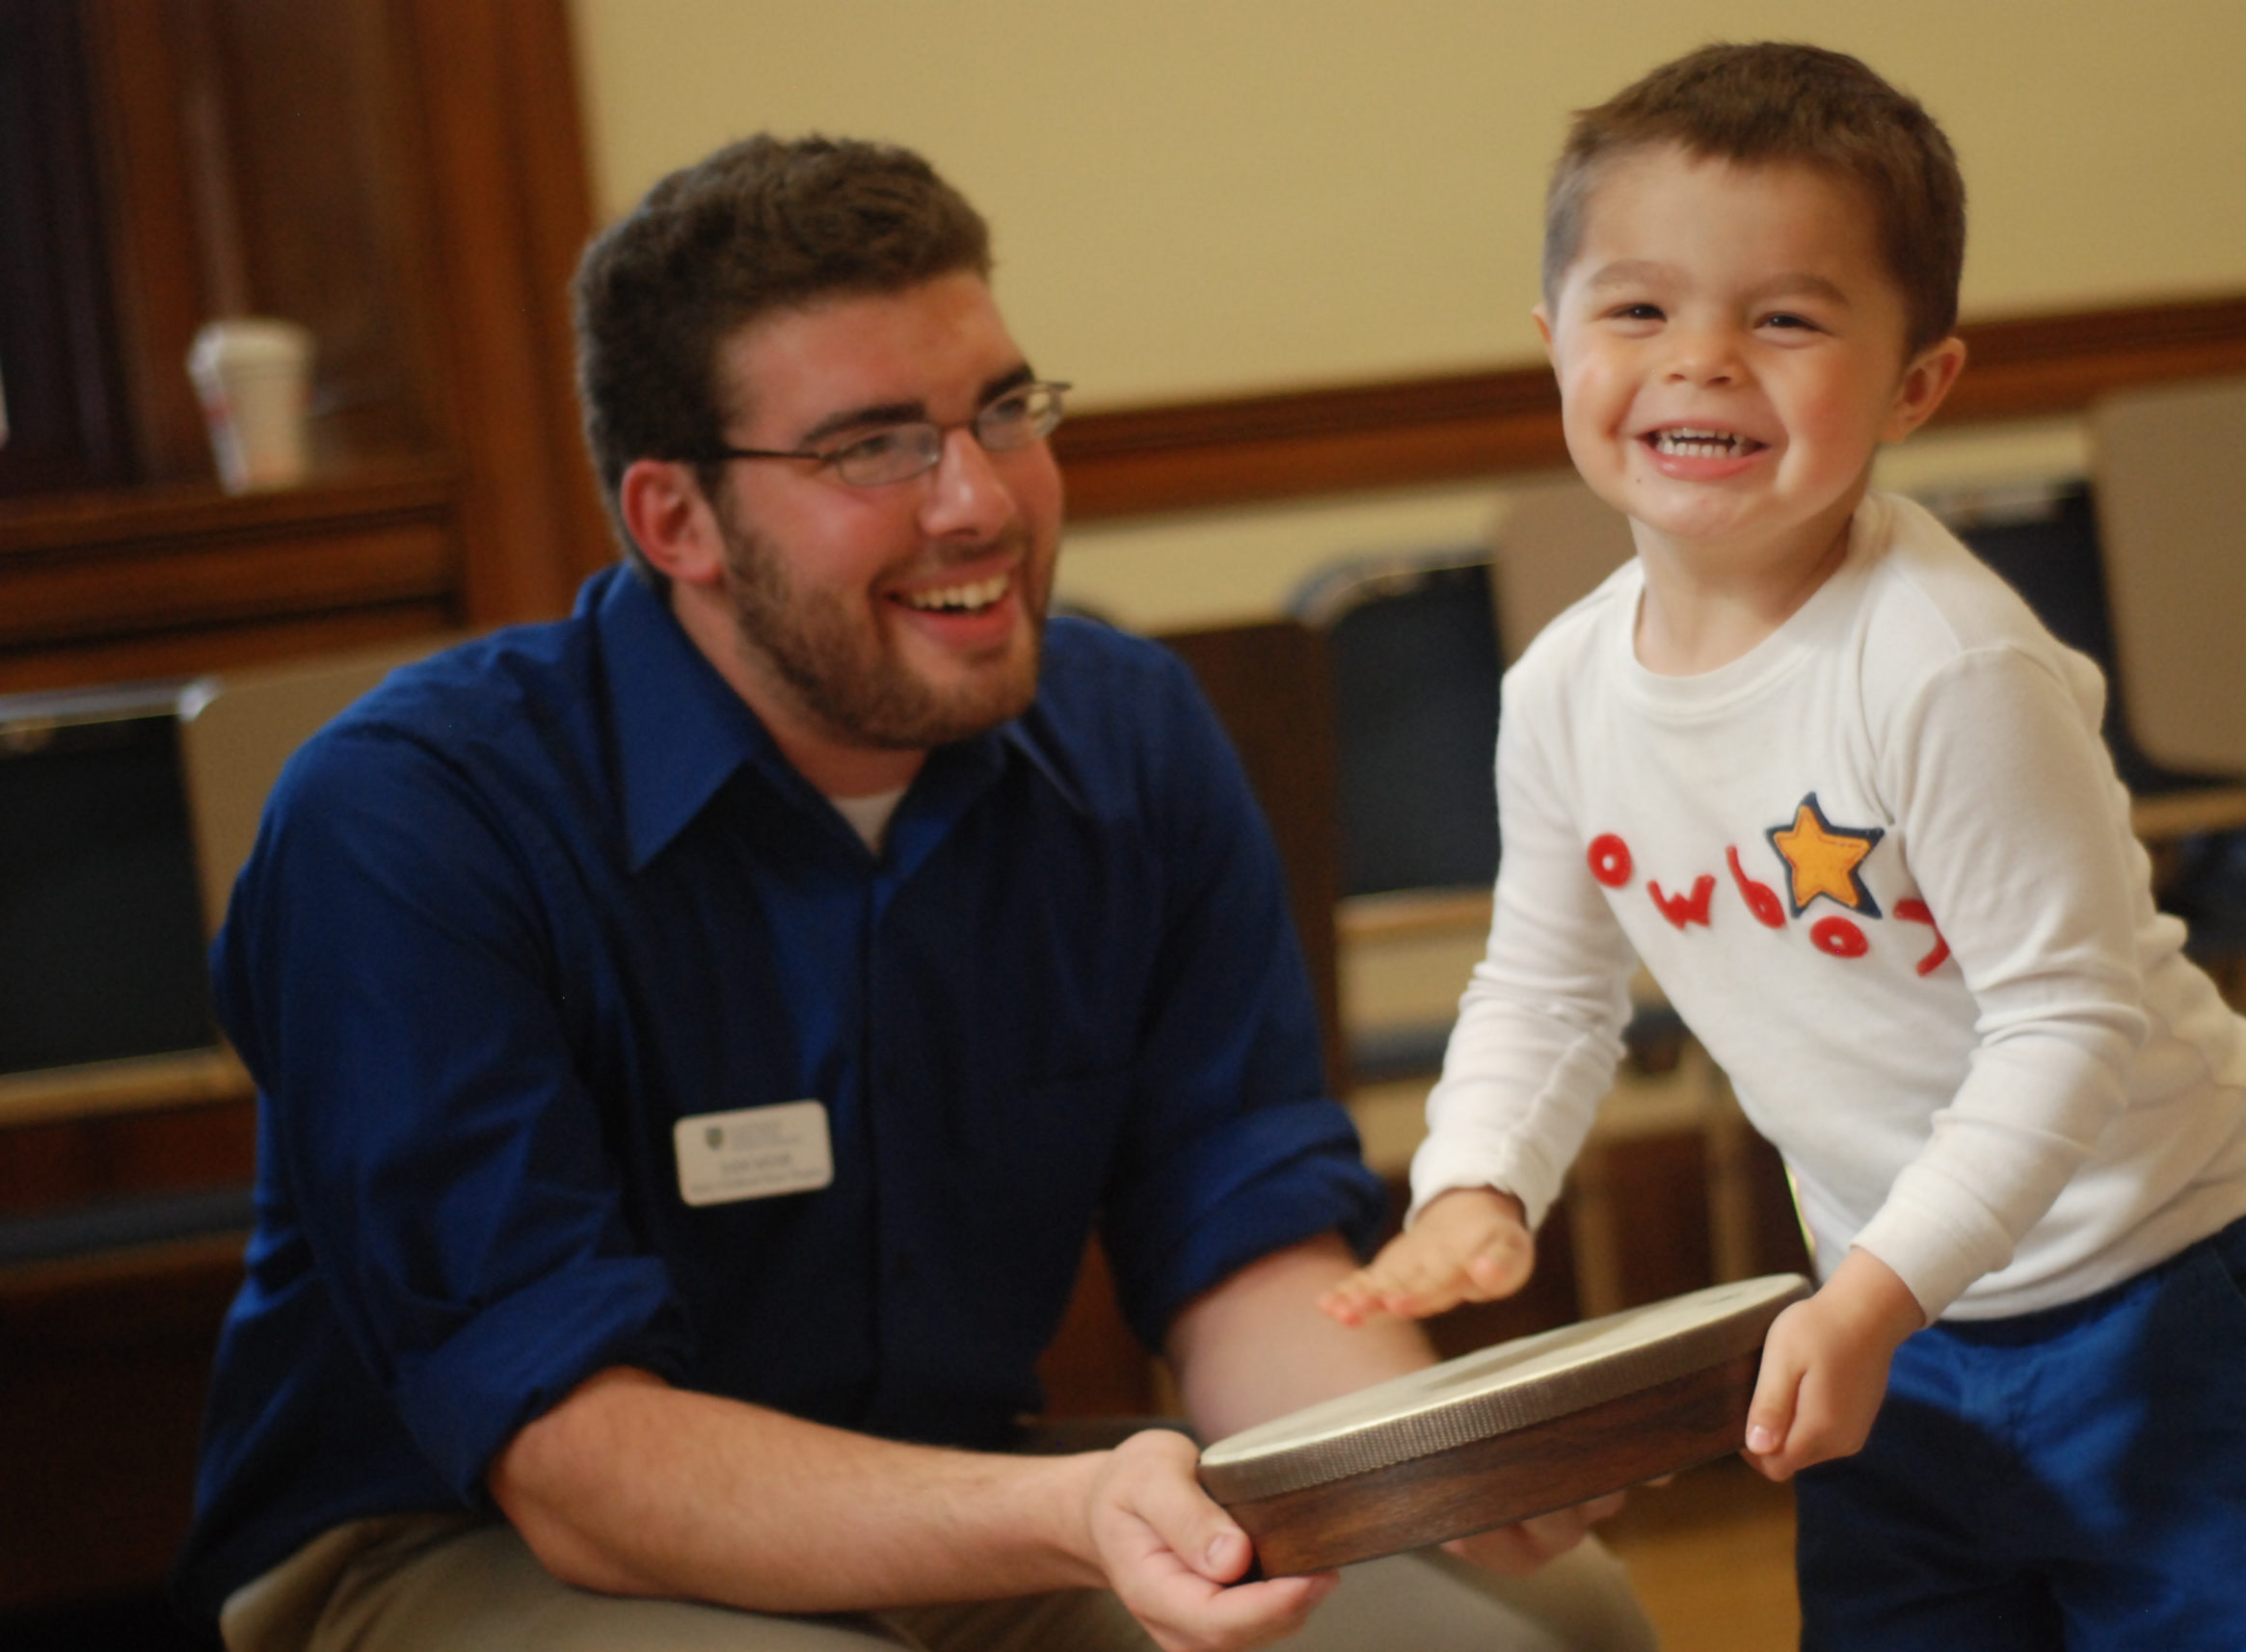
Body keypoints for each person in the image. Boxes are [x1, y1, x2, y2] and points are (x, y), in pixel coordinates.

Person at [169, 135, 1658, 1652]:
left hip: (953, 1497)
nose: (978, 502)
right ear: (674, 518)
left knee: (1536, 1622)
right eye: (873, 446)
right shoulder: (413, 819)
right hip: (462, 1539)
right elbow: (578, 1465)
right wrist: (1068, 1513)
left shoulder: (1128, 738)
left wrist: (1428, 1469)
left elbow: (1243, 1247)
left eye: (1003, 412)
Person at [1319, 41, 2246, 1650]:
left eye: (1786, 317)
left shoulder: (1948, 664)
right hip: (1894, 1320)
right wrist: (1478, 1180)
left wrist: (1874, 1293)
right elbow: (1544, 983)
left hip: (2168, 1292)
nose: (1704, 362)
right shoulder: (1561, 692)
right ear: (1553, 347)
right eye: (1638, 310)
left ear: (1916, 385)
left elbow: (2067, 1019)